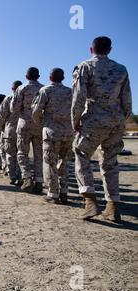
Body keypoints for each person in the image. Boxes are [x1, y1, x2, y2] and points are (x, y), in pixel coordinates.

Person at [72, 36, 132, 222]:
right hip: (116, 120)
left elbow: (79, 97)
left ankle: (90, 201)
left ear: (91, 49)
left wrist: (75, 119)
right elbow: (127, 100)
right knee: (110, 162)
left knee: (81, 153)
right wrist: (121, 119)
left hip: (94, 119)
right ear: (110, 49)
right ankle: (112, 205)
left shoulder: (86, 66)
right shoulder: (121, 69)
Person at [32, 68, 73, 205]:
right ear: (63, 77)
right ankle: (64, 192)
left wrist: (42, 124)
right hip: (68, 133)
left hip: (51, 132)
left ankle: (53, 193)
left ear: (50, 77)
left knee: (50, 163)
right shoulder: (70, 92)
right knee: (64, 163)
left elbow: (36, 111)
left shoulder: (45, 90)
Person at [11, 67, 44, 193]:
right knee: (38, 154)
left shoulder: (21, 88)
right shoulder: (43, 89)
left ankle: (27, 178)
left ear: (26, 76)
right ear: (38, 76)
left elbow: (14, 108)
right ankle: (39, 181)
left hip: (24, 124)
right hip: (39, 125)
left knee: (22, 153)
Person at [0, 81, 23, 185]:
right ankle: (21, 176)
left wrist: (1, 128)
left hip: (10, 130)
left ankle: (12, 176)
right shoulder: (26, 97)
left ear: (12, 88)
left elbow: (2, 115)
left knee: (10, 154)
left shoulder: (8, 98)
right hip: (23, 130)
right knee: (21, 154)